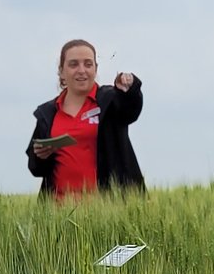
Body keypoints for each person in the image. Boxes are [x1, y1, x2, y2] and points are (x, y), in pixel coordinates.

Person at [27, 40, 145, 197]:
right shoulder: (47, 113)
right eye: (73, 64)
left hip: (107, 209)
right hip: (58, 211)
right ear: (62, 71)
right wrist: (41, 156)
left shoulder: (110, 101)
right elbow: (36, 169)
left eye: (88, 64)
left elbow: (130, 109)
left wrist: (130, 87)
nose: (81, 70)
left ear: (96, 69)